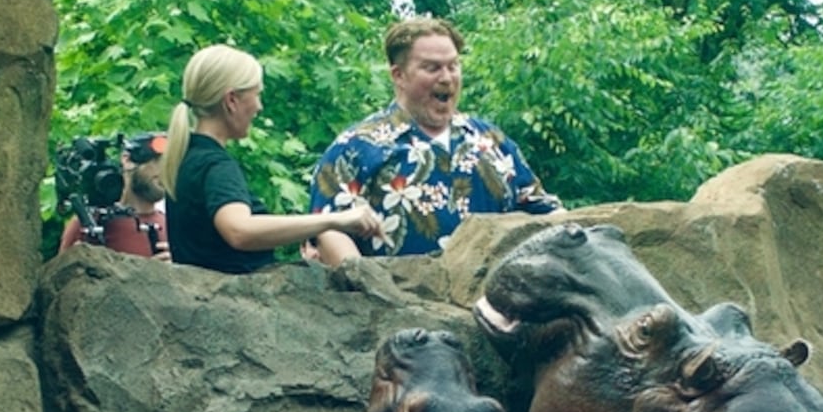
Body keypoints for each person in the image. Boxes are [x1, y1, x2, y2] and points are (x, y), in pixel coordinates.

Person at [307, 17, 562, 266]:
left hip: (494, 303)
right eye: (432, 68)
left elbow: (547, 212)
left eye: (453, 66)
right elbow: (329, 232)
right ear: (399, 75)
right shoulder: (354, 150)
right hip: (392, 303)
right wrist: (368, 292)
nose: (447, 77)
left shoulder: (492, 142)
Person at [162, 44, 384, 274]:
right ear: (231, 100)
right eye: (256, 94)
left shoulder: (184, 157)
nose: (259, 106)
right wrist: (333, 221)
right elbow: (239, 231)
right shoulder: (216, 165)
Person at [58, 132, 171, 260]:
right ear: (127, 160)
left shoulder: (174, 226)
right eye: (157, 161)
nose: (166, 172)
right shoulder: (89, 223)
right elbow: (60, 277)